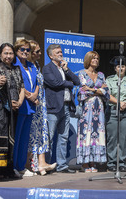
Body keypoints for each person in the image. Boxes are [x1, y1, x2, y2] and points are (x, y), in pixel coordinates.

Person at [43, 44, 80, 173]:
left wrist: (67, 69)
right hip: (53, 108)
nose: (60, 54)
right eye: (57, 52)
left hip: (66, 106)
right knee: (50, 137)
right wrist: (69, 84)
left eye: (61, 52)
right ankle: (46, 164)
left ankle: (62, 165)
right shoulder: (47, 68)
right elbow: (55, 83)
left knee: (63, 137)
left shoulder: (64, 69)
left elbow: (77, 81)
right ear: (50, 55)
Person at [77, 51, 109, 173]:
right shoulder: (82, 74)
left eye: (97, 58)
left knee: (97, 133)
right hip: (87, 107)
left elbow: (106, 91)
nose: (95, 60)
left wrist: (91, 89)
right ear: (88, 59)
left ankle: (94, 161)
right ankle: (85, 163)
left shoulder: (101, 75)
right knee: (87, 133)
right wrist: (97, 90)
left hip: (99, 108)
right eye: (93, 58)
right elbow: (83, 91)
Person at [27, 40, 56, 175]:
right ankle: (28, 163)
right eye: (37, 51)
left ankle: (42, 163)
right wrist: (32, 95)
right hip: (32, 102)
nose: (40, 54)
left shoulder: (36, 65)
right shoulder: (26, 66)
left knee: (42, 132)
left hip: (40, 104)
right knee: (32, 134)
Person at [0, 43, 24, 179]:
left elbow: (22, 88)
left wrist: (19, 101)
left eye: (11, 53)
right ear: (0, 54)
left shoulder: (17, 69)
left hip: (14, 110)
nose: (8, 56)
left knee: (11, 139)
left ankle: (8, 169)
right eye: (5, 53)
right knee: (0, 138)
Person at [106, 56, 126, 172]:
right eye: (118, 66)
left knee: (124, 139)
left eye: (123, 66)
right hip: (113, 110)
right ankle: (111, 162)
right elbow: (107, 94)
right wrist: (119, 103)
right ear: (115, 68)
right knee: (112, 138)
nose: (121, 69)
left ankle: (122, 162)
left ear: (125, 68)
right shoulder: (109, 80)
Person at [13, 39, 39, 176]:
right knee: (16, 138)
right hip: (20, 104)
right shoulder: (14, 65)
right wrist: (29, 95)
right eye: (22, 49)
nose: (25, 52)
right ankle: (14, 167)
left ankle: (22, 166)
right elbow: (17, 84)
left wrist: (35, 94)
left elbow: (37, 82)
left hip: (31, 106)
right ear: (16, 51)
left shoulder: (31, 65)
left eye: (27, 50)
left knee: (25, 139)